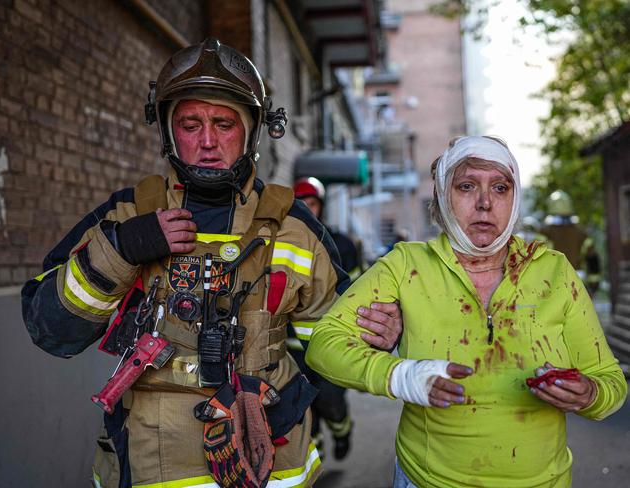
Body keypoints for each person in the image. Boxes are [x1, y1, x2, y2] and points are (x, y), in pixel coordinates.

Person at [21, 38, 402, 488]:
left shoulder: (295, 228)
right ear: (167, 130)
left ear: (251, 132)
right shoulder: (126, 217)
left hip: (272, 462)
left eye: (224, 123)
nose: (207, 142)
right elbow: (51, 330)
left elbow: (332, 344)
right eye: (189, 123)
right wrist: (123, 248)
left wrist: (377, 334)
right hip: (154, 465)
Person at [306, 135, 627, 488]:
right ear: (443, 197)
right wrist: (402, 376)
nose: (485, 203)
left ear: (514, 198)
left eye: (501, 188)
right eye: (467, 186)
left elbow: (610, 382)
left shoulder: (553, 270)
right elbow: (324, 345)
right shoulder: (406, 265)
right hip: (427, 480)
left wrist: (589, 395)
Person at [291, 176, 360, 461]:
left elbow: (357, 293)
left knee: (331, 402)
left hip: (331, 341)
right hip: (293, 347)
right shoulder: (282, 244)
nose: (308, 209)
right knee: (302, 408)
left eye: (312, 204)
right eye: (301, 204)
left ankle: (342, 430)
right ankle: (315, 457)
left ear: (321, 206)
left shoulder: (342, 245)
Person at [541, 190, 602, 296]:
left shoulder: (545, 232)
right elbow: (592, 259)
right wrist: (594, 284)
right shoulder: (582, 233)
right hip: (579, 285)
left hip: (552, 285)